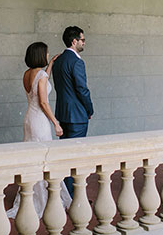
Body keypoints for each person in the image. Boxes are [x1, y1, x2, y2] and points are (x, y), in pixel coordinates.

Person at [6, 42, 72, 219]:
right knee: (44, 160)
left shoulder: (27, 74)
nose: (48, 55)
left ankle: (31, 197)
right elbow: (43, 101)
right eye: (47, 54)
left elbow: (40, 84)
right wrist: (56, 122)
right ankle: (44, 202)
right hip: (40, 121)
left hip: (29, 119)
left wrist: (50, 65)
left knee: (32, 159)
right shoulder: (41, 75)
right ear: (41, 55)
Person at [52, 26, 94, 197]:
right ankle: (71, 198)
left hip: (63, 113)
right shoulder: (77, 61)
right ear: (74, 41)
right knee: (75, 157)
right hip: (77, 115)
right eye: (82, 40)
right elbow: (82, 89)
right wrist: (89, 109)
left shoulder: (58, 61)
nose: (84, 43)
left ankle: (64, 195)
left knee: (64, 156)